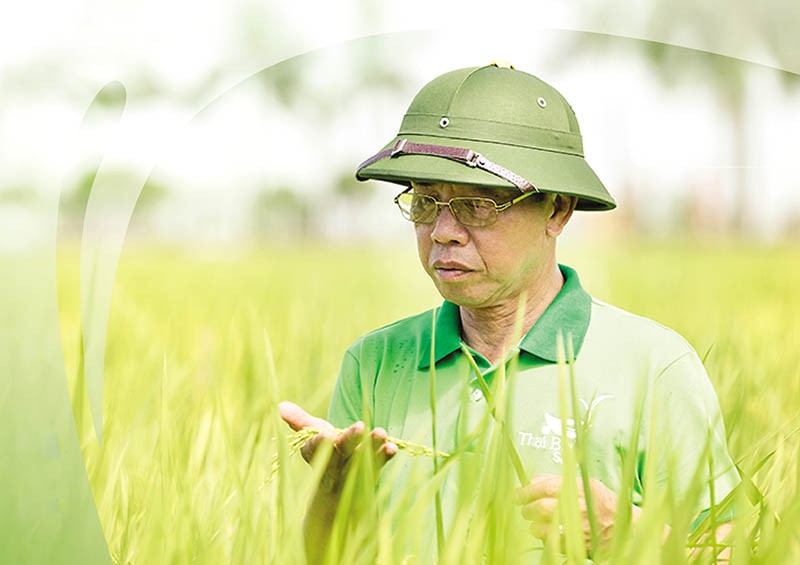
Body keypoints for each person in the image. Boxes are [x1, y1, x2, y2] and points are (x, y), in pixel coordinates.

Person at [279, 62, 739, 562]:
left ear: (557, 210)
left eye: (477, 205)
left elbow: (740, 550)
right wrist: (333, 492)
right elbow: (332, 555)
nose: (443, 231)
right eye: (425, 203)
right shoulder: (374, 363)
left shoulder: (653, 367)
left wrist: (629, 533)